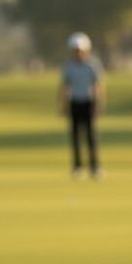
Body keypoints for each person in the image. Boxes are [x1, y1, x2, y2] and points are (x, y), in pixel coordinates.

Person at [59, 32, 104, 178]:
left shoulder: (92, 65)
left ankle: (95, 167)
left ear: (86, 49)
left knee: (91, 137)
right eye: (75, 50)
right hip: (74, 103)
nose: (78, 52)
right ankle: (77, 167)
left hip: (88, 102)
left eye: (80, 49)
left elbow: (98, 86)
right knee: (75, 137)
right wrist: (64, 106)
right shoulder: (68, 66)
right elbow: (65, 87)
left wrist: (98, 104)